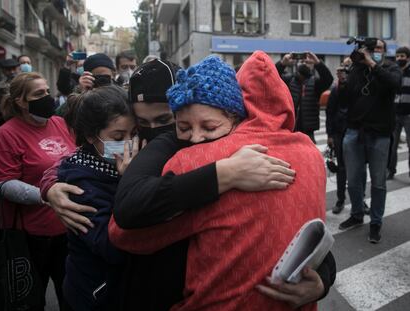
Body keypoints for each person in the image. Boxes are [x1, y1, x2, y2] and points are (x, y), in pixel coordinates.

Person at [41, 59, 334, 310]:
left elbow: (290, 221)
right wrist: (49, 185)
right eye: (143, 123)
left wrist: (323, 278)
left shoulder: (236, 151)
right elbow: (81, 165)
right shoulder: (158, 146)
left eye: (165, 119)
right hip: (111, 291)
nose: (154, 132)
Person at [0, 72, 75, 310]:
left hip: (69, 229)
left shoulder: (60, 123)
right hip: (32, 236)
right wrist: (47, 195)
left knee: (71, 297)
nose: (47, 98)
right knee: (31, 302)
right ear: (21, 101)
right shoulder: (5, 134)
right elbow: (3, 184)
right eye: (39, 94)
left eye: (48, 92)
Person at [58, 85, 137, 311]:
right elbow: (111, 248)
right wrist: (129, 183)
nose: (130, 143)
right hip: (94, 296)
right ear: (92, 136)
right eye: (119, 136)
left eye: (134, 133)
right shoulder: (80, 184)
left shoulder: (110, 166)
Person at [338, 39, 402, 243]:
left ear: (384, 52)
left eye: (378, 49)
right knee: (354, 180)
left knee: (378, 182)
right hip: (355, 131)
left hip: (380, 134)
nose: (373, 52)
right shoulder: (357, 69)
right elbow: (346, 100)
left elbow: (395, 84)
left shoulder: (391, 67)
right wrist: (342, 81)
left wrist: (373, 65)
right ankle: (357, 214)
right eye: (370, 50)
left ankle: (376, 222)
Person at [326, 66, 370, 215]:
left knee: (361, 170)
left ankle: (361, 200)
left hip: (358, 132)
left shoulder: (360, 89)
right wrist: (330, 135)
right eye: (341, 71)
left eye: (347, 70)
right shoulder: (336, 90)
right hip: (339, 133)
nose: (343, 74)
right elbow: (329, 113)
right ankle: (340, 200)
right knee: (342, 169)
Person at [276, 52, 333, 143]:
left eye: (307, 62)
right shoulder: (289, 80)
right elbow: (273, 77)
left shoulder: (316, 83)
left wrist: (318, 63)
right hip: (290, 130)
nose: (304, 63)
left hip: (308, 132)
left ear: (311, 66)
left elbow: (328, 79)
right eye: (301, 61)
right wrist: (282, 63)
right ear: (296, 65)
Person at [387, 46, 410, 179]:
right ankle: (391, 171)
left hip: (408, 115)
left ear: (408, 57)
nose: (399, 59)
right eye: (397, 56)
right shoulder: (393, 71)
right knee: (392, 145)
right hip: (394, 114)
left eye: (402, 56)